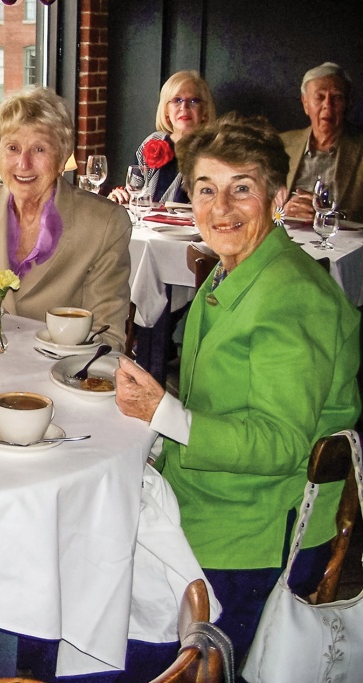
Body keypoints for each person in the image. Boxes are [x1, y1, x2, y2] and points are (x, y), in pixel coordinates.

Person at [114, 113, 360, 666]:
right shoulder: (234, 272)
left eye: (240, 189)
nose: (220, 208)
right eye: (206, 189)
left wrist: (162, 413)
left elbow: (280, 443)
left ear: (274, 196)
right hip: (209, 496)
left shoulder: (292, 296)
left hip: (255, 531)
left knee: (107, 622)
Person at [0, 87, 132, 351]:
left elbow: (107, 336)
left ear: (63, 156)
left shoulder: (104, 224)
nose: (23, 163)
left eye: (39, 149)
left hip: (58, 377)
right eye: (12, 148)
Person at [108, 70, 216, 205]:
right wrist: (119, 197)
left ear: (204, 111)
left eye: (193, 101)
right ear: (166, 111)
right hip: (149, 223)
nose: (184, 107)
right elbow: (134, 192)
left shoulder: (214, 149)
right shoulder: (153, 141)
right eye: (177, 100)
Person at [281, 62, 363, 223]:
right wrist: (281, 213)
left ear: (348, 104)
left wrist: (328, 214)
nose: (327, 105)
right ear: (305, 104)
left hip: (341, 242)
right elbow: (260, 204)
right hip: (284, 237)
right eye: (319, 97)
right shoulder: (282, 143)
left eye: (337, 97)